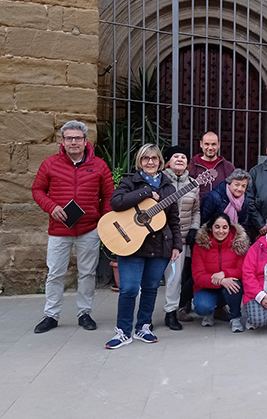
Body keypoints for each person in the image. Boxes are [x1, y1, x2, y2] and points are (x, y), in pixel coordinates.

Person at [31, 120, 114, 334]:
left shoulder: (99, 165)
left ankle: (84, 313)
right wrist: (51, 207)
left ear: (86, 141)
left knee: (87, 273)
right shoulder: (50, 164)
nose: (74, 142)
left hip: (89, 229)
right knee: (55, 273)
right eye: (69, 138)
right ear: (63, 141)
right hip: (59, 230)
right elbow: (38, 190)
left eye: (78, 138)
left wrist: (104, 222)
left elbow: (108, 196)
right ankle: (51, 315)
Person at [106, 144, 182, 349]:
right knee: (129, 288)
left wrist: (177, 245)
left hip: (159, 246)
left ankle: (143, 327)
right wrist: (146, 192)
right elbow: (116, 202)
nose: (150, 162)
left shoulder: (169, 188)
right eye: (145, 158)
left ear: (160, 162)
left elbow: (174, 219)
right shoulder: (130, 182)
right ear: (139, 161)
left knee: (150, 288)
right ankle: (123, 331)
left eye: (154, 158)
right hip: (131, 244)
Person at [161, 145, 200, 331]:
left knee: (175, 278)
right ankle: (144, 315)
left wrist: (194, 228)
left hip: (181, 239)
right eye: (175, 156)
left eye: (183, 157)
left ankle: (171, 312)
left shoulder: (194, 184)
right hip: (157, 237)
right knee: (152, 278)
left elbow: (196, 210)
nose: (179, 159)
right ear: (167, 161)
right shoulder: (159, 182)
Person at [191, 213, 249, 332]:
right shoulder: (200, 245)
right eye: (217, 227)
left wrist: (225, 273)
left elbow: (242, 270)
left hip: (228, 285)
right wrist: (221, 281)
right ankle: (209, 312)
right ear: (210, 228)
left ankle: (235, 317)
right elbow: (198, 276)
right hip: (207, 287)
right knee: (203, 307)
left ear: (230, 228)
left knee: (235, 285)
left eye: (224, 227)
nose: (221, 231)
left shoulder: (238, 243)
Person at [200, 169, 257, 243]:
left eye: (243, 186)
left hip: (233, 239)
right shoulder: (213, 197)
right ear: (229, 184)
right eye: (237, 184)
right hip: (212, 238)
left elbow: (243, 223)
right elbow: (204, 222)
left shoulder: (245, 200)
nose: (239, 189)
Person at [189, 131, 235, 201]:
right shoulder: (191, 165)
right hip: (196, 209)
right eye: (207, 144)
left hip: (221, 210)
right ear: (201, 144)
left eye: (213, 144)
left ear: (219, 145)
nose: (210, 148)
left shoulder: (228, 167)